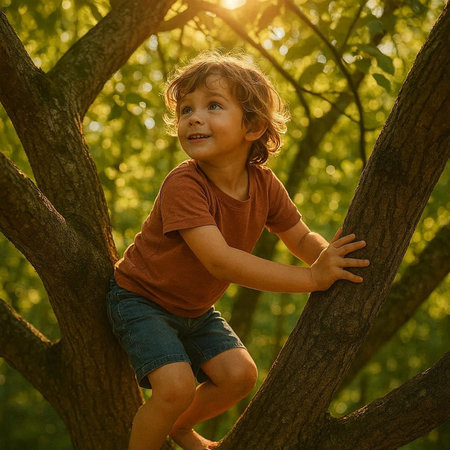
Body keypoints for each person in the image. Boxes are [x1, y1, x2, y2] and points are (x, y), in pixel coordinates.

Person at [106, 51, 369, 450]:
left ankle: (181, 427)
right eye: (186, 109)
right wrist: (312, 278)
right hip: (142, 300)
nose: (194, 117)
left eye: (213, 106)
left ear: (253, 125)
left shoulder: (263, 184)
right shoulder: (185, 184)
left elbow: (299, 236)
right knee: (174, 386)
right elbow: (220, 260)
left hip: (195, 309)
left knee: (240, 375)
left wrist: (328, 258)